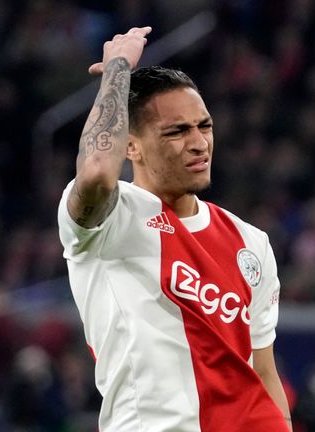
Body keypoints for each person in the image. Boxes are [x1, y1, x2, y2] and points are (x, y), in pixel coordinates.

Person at [57, 27, 291, 431]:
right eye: (177, 131)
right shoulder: (109, 218)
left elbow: (264, 374)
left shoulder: (251, 242)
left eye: (205, 126)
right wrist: (117, 70)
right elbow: (96, 171)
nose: (199, 143)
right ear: (131, 146)